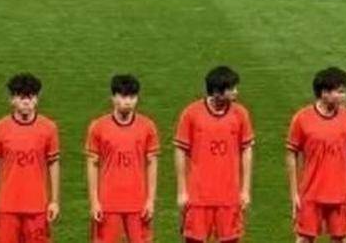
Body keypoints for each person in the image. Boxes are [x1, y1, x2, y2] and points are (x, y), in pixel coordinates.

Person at [175, 66, 254, 243]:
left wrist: (245, 190)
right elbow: (180, 150)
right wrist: (182, 191)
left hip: (229, 196)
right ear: (217, 92)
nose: (236, 92)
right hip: (198, 196)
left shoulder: (240, 114)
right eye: (231, 89)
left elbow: (247, 150)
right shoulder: (191, 114)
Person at [287, 67, 346, 243]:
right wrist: (294, 193)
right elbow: (291, 154)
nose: (344, 96)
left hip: (340, 193)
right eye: (340, 92)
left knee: (340, 238)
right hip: (311, 193)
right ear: (324, 93)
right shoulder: (302, 118)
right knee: (304, 238)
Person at [0, 73, 61, 243]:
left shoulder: (49, 128)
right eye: (21, 97)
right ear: (12, 100)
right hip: (7, 207)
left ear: (37, 99)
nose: (26, 102)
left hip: (37, 207)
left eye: (31, 97)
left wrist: (54, 201)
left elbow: (53, 163)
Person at [86, 74, 160, 243]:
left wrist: (150, 200)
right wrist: (94, 201)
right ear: (113, 97)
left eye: (132, 97)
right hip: (108, 203)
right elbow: (92, 164)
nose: (128, 102)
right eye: (123, 96)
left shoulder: (147, 126)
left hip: (138, 204)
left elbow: (152, 163)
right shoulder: (98, 127)